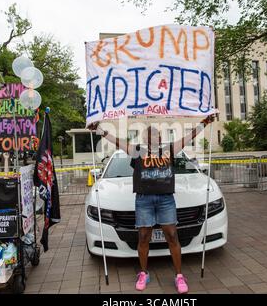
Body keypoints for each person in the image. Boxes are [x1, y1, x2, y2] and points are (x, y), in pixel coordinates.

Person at [88, 115, 215, 293]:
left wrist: (204, 123)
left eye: (155, 135)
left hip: (166, 200)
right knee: (144, 237)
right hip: (144, 200)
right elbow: (117, 142)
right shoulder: (138, 151)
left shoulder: (169, 150)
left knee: (172, 236)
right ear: (145, 139)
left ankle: (179, 276)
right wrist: (99, 130)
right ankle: (143, 273)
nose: (153, 137)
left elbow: (189, 137)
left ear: (160, 138)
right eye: (149, 135)